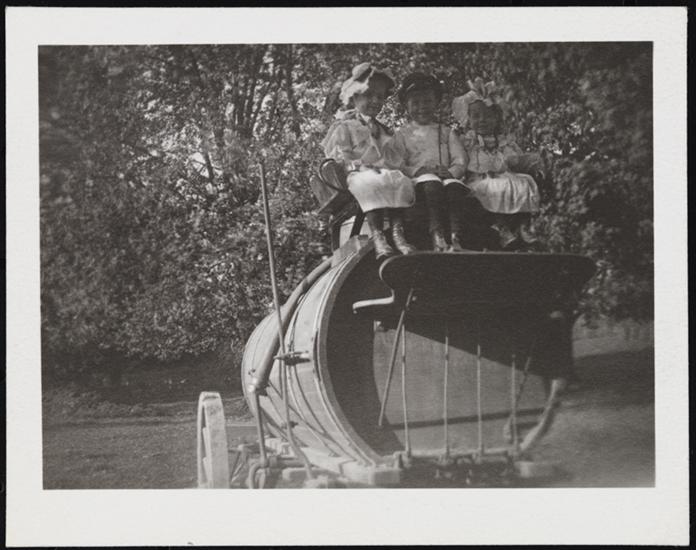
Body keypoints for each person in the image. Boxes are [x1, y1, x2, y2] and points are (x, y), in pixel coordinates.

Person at [322, 63, 416, 259]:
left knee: (398, 180)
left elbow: (392, 158)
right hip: (357, 173)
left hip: (381, 171)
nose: (375, 101)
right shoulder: (346, 126)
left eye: (380, 97)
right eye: (369, 95)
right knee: (370, 181)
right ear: (354, 97)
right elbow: (341, 156)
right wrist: (359, 166)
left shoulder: (384, 130)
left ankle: (398, 233)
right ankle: (378, 235)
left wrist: (398, 168)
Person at [453, 78, 543, 250]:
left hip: (503, 174)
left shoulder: (503, 141)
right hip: (479, 178)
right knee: (491, 188)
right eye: (476, 116)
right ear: (468, 119)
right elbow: (459, 161)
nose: (482, 120)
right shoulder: (468, 141)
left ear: (496, 118)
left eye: (488, 116)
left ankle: (524, 226)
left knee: (525, 182)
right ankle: (501, 227)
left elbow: (515, 158)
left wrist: (515, 160)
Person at [386, 73, 470, 252]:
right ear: (406, 106)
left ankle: (455, 235)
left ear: (436, 103)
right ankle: (436, 233)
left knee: (455, 187)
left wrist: (452, 171)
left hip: (444, 178)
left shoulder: (446, 132)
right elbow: (397, 163)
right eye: (415, 103)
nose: (422, 107)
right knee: (432, 184)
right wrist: (416, 171)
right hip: (419, 183)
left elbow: (460, 159)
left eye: (427, 101)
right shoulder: (402, 135)